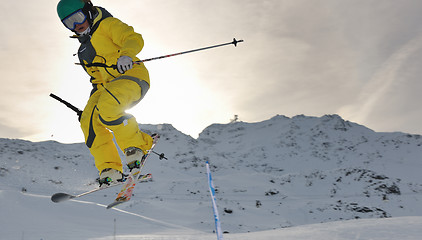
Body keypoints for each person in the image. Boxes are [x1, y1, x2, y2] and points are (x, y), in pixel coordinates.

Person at [56, 0, 153, 186]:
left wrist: (127, 54)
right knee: (89, 121)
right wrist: (89, 109)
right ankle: (110, 168)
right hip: (106, 87)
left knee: (108, 105)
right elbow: (97, 81)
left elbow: (133, 37)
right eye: (69, 23)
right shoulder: (83, 51)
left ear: (88, 11)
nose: (76, 25)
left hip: (132, 76)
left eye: (78, 18)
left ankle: (136, 147)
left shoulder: (108, 25)